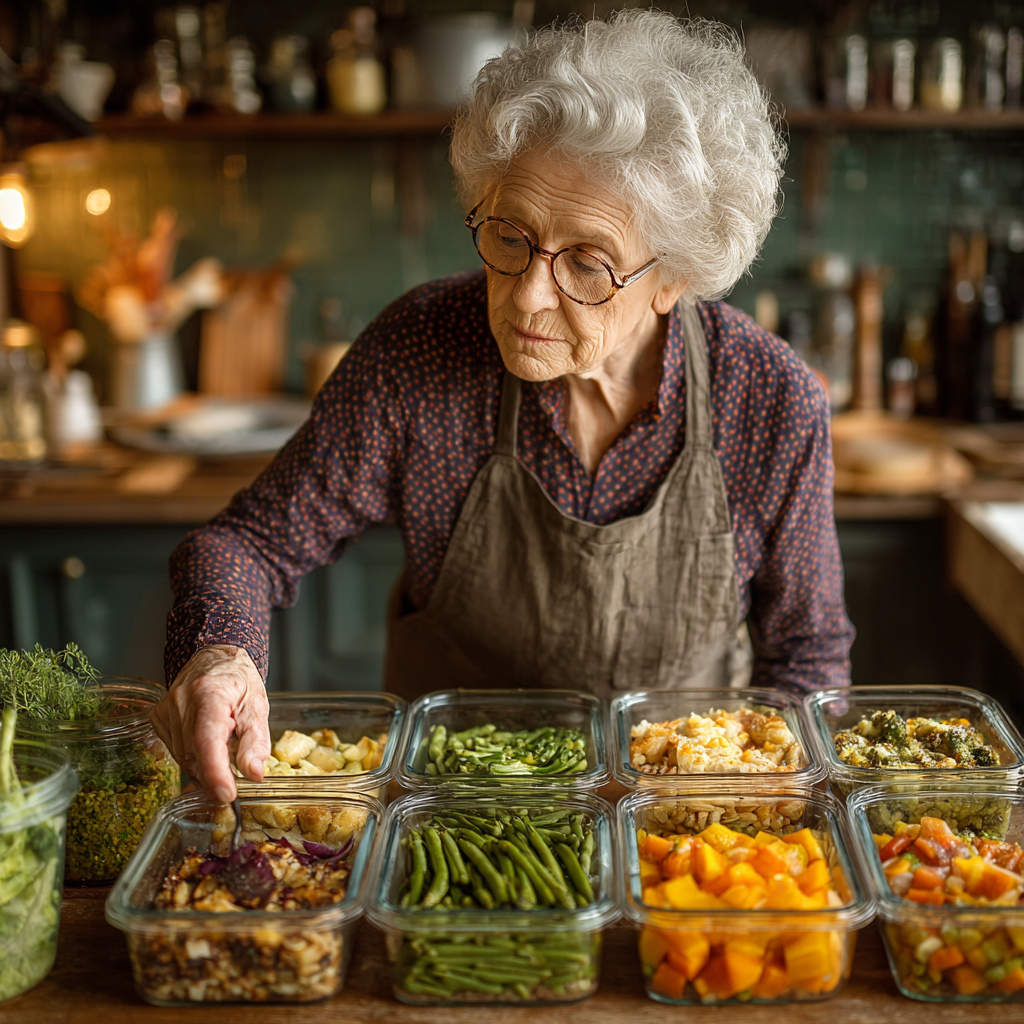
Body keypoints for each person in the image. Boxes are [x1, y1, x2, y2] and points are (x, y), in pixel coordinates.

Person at [151, 10, 854, 803]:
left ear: (674, 280)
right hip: (450, 811)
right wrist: (217, 655)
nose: (527, 295)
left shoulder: (768, 398)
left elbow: (808, 657)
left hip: (683, 825)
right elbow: (250, 544)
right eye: (510, 235)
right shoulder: (418, 351)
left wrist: (768, 813)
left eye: (587, 263)